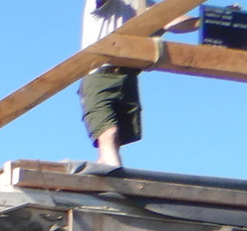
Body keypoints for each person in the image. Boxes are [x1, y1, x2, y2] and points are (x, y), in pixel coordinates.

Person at [79, 0, 201, 167]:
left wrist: (209, 21)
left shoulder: (144, 4)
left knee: (113, 141)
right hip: (99, 75)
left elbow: (173, 22)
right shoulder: (106, 3)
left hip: (128, 77)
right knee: (108, 134)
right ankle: (117, 177)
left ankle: (106, 171)